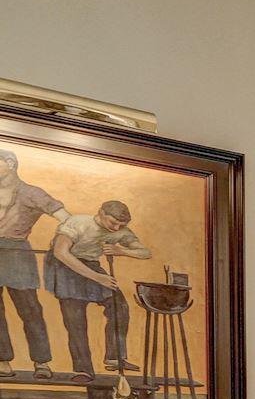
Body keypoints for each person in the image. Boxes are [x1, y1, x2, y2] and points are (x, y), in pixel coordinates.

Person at [44, 200, 149, 382]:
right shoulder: (78, 222)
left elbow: (146, 252)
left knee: (119, 306)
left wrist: (122, 251)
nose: (116, 228)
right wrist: (98, 277)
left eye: (121, 225)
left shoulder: (120, 230)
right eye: (112, 223)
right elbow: (60, 252)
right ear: (100, 213)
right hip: (65, 267)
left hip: (91, 265)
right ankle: (83, 370)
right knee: (75, 321)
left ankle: (114, 357)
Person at [0, 147, 69, 380]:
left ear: (10, 163)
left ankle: (41, 362)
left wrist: (66, 241)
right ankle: (2, 361)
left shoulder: (32, 192)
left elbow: (65, 219)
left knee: (30, 309)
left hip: (17, 254)